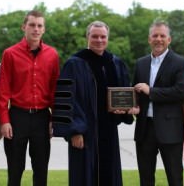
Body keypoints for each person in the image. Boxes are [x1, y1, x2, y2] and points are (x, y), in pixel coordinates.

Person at [52, 20, 139, 186]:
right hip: (85, 133)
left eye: (103, 37)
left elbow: (123, 92)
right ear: (88, 37)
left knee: (109, 175)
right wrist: (74, 131)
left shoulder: (115, 63)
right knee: (84, 177)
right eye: (95, 36)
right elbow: (66, 99)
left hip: (108, 131)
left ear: (108, 38)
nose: (99, 40)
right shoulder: (74, 63)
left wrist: (125, 110)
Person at [0, 10, 59, 186]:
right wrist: (4, 120)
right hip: (17, 117)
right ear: (24, 27)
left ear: (44, 29)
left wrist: (54, 119)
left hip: (42, 117)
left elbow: (55, 90)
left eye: (39, 25)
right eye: (32, 25)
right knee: (15, 169)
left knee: (41, 169)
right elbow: (3, 90)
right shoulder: (10, 54)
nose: (36, 29)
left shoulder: (52, 55)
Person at [133, 21, 184, 186]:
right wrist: (133, 106)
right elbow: (135, 90)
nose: (158, 39)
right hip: (145, 129)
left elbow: (180, 92)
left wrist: (150, 91)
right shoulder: (140, 63)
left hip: (170, 130)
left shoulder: (180, 62)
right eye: (155, 35)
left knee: (175, 178)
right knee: (146, 178)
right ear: (149, 39)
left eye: (162, 36)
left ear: (169, 39)